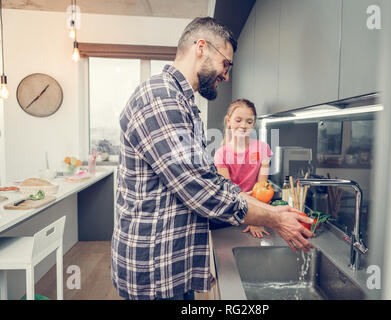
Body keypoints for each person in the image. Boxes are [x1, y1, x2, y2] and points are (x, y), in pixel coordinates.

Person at [111, 16, 314, 300]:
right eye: (226, 64)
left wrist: (274, 212)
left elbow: (212, 181)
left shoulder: (184, 104)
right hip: (154, 267)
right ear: (201, 47)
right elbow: (200, 191)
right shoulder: (160, 98)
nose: (226, 76)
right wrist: (274, 219)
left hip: (173, 264)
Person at [214, 98, 272, 238]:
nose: (243, 126)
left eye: (249, 121)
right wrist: (250, 217)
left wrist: (257, 217)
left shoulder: (263, 149)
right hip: (231, 212)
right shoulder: (221, 154)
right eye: (238, 120)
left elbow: (262, 188)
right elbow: (230, 192)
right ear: (229, 121)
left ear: (254, 123)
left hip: (257, 208)